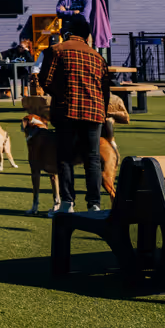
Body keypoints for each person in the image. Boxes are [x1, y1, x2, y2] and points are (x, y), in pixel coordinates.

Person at [36, 13, 112, 212]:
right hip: (94, 112)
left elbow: (45, 80)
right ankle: (94, 203)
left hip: (66, 110)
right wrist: (100, 111)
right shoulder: (98, 57)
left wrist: (60, 94)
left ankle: (68, 202)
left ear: (66, 33)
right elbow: (105, 91)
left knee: (65, 157)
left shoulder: (56, 50)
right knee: (92, 158)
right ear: (87, 36)